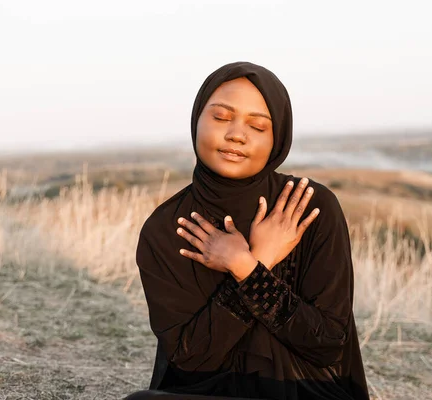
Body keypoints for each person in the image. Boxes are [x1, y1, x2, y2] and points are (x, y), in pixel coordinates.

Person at [125, 62, 369, 400]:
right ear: (197, 120)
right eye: (222, 118)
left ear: (278, 138)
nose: (236, 134)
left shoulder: (309, 208)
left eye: (257, 125)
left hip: (304, 393)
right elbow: (190, 359)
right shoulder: (168, 227)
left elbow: (326, 344)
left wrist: (246, 268)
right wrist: (260, 260)